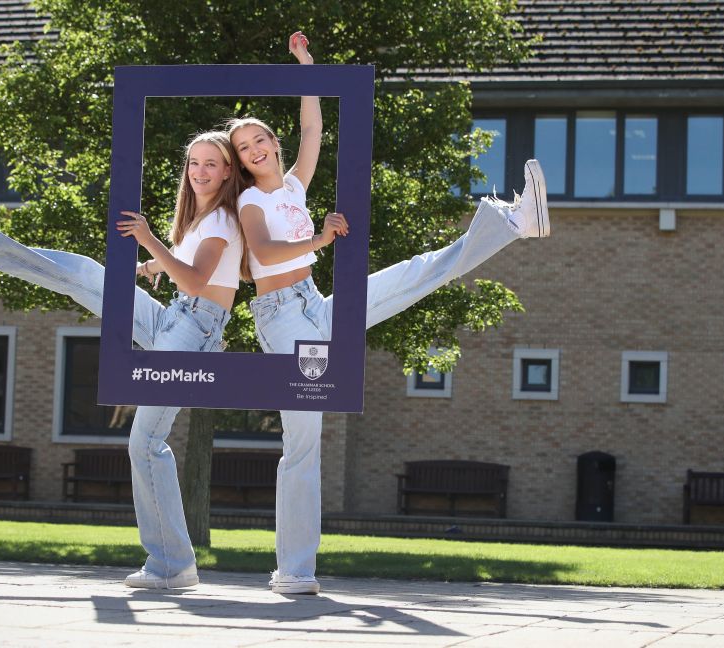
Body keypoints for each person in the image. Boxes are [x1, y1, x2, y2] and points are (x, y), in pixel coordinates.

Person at [229, 32, 550, 595]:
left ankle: (512, 224)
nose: (254, 150)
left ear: (273, 143)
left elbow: (313, 129)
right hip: (279, 319)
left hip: (314, 306)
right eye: (243, 149)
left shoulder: (296, 184)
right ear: (240, 162)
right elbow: (262, 254)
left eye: (259, 140)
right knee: (304, 442)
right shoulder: (250, 201)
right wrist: (322, 242)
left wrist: (308, 68)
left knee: (413, 275)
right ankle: (294, 571)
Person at [0, 131, 245, 589]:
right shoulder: (203, 218)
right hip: (178, 319)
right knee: (84, 274)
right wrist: (149, 269)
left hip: (192, 331)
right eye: (194, 163)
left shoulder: (221, 218)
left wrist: (148, 242)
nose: (200, 172)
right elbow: (192, 266)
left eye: (211, 164)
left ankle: (173, 565)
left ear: (227, 172)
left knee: (145, 444)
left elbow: (199, 281)